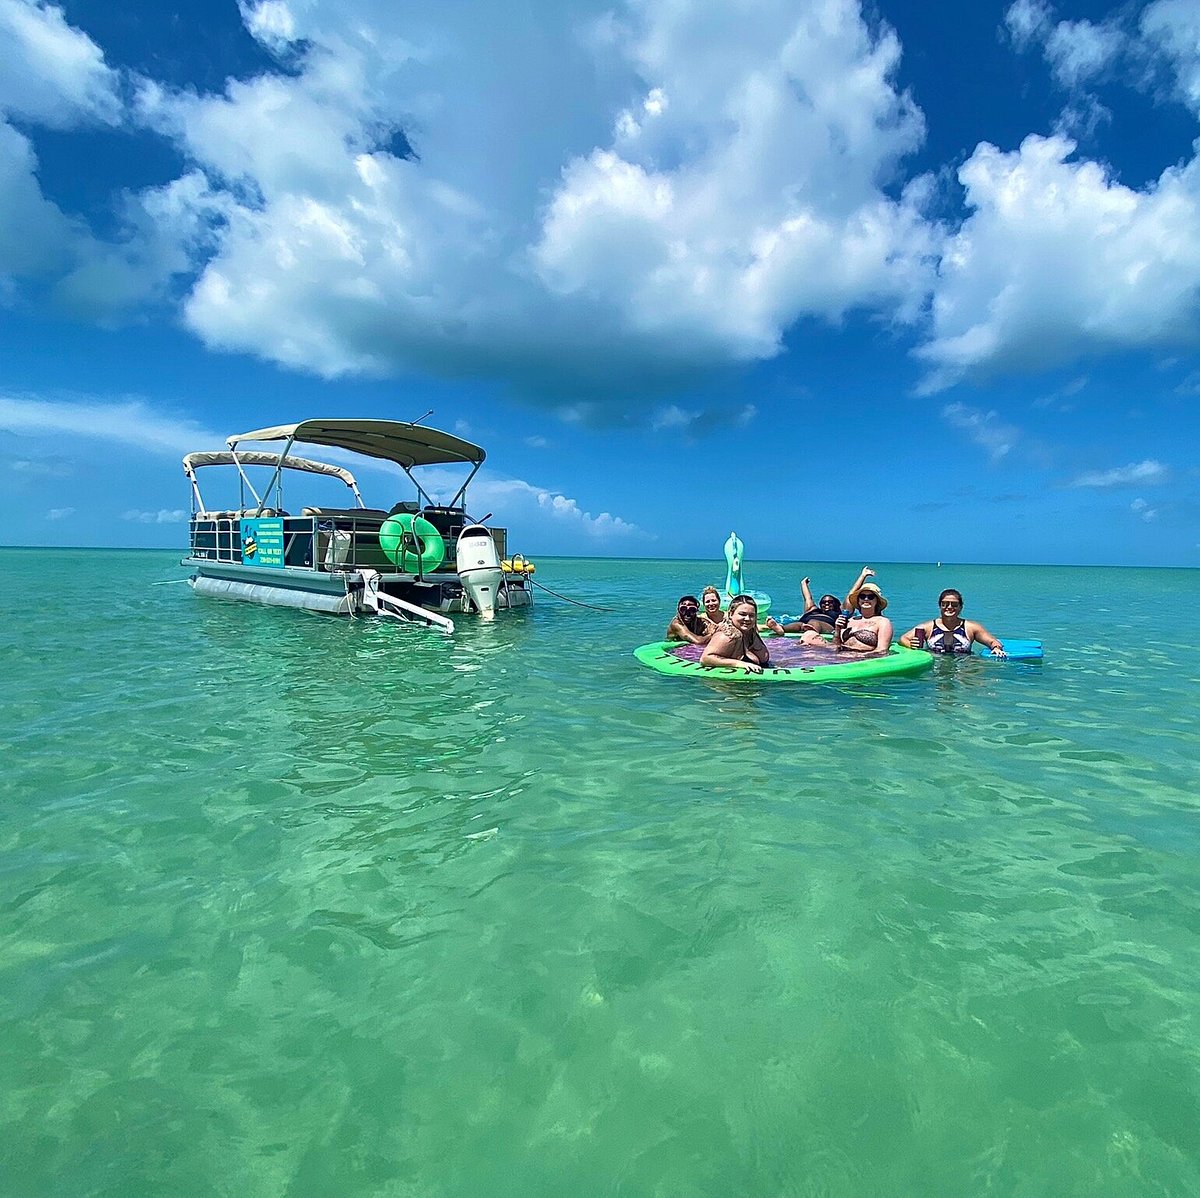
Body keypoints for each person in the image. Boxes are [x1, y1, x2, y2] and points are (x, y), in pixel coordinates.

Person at [899, 589, 1006, 656]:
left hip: (964, 668)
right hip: (935, 670)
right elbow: (903, 638)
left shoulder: (971, 628)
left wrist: (996, 648)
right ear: (939, 606)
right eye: (945, 604)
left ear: (960, 607)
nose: (949, 607)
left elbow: (992, 641)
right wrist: (911, 645)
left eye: (954, 604)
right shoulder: (927, 627)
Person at [701, 594, 771, 673]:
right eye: (742, 614)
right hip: (728, 684)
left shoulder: (750, 633)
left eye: (751, 615)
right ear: (731, 614)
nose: (747, 619)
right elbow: (705, 659)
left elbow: (763, 659)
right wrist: (739, 664)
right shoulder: (726, 635)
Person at [765, 576, 841, 636]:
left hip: (826, 626)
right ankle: (780, 628)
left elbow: (850, 599)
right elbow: (807, 598)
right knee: (799, 624)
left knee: (814, 622)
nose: (826, 604)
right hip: (806, 625)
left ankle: (811, 633)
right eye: (823, 602)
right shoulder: (812, 609)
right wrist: (803, 583)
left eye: (830, 602)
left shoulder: (839, 612)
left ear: (836, 604)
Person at [834, 581, 893, 653]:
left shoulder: (882, 622)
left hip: (863, 659)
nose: (866, 599)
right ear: (858, 600)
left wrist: (859, 657)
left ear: (877, 601)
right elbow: (836, 645)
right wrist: (837, 629)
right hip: (841, 655)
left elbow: (882, 650)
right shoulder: (850, 620)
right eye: (862, 596)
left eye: (871, 597)